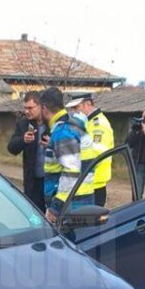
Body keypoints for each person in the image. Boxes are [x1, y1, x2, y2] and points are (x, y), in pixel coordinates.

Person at [39, 87, 95, 223]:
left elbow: (71, 172)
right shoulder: (72, 125)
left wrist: (55, 208)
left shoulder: (62, 132)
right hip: (79, 199)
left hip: (71, 204)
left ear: (44, 108)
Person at [67, 93, 114, 207]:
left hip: (94, 183)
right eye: (72, 108)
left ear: (88, 104)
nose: (73, 112)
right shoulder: (88, 122)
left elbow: (97, 153)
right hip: (86, 181)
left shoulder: (99, 124)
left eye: (76, 107)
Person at [7, 91, 46, 210]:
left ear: (40, 106)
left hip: (50, 181)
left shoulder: (52, 123)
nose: (27, 111)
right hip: (32, 183)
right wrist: (23, 140)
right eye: (25, 108)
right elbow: (11, 148)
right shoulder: (23, 124)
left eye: (30, 108)